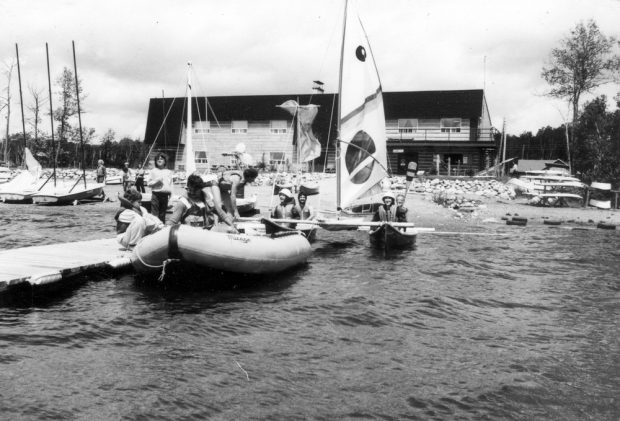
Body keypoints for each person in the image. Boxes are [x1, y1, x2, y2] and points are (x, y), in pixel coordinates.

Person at [147, 153, 173, 223]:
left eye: (161, 159)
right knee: (154, 214)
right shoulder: (153, 171)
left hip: (165, 195)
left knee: (162, 214)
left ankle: (161, 229)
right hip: (156, 194)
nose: (159, 160)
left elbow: (171, 186)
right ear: (155, 161)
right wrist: (156, 181)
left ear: (165, 161)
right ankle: (154, 229)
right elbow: (148, 184)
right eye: (158, 159)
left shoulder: (169, 172)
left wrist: (171, 199)